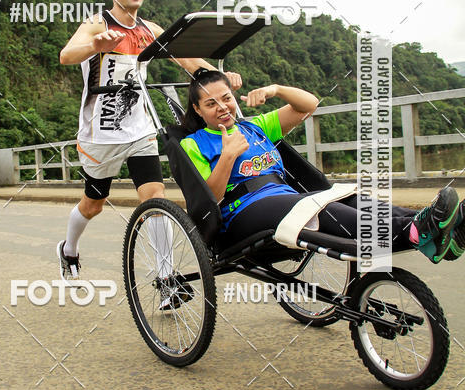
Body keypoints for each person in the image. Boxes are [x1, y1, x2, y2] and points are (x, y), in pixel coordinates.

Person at [56, 0, 242, 278]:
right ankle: (68, 249)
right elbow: (66, 56)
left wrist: (219, 77)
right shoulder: (97, 24)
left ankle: (166, 277)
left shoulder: (150, 30)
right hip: (100, 136)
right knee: (94, 203)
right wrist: (94, 46)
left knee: (156, 196)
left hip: (140, 130)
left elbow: (187, 61)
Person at [179, 69, 465, 263]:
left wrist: (275, 89)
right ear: (198, 109)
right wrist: (228, 155)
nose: (222, 107)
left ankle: (439, 230)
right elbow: (210, 199)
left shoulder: (255, 126)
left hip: (285, 195)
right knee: (320, 207)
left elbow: (308, 105)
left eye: (226, 98)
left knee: (349, 199)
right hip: (241, 211)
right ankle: (415, 233)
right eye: (211, 103)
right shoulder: (195, 143)